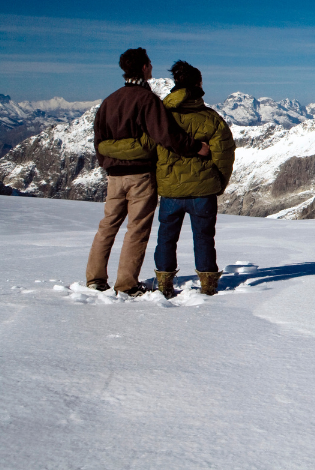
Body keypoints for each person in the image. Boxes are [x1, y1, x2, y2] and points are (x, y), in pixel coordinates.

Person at [88, 48, 210, 296]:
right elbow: (166, 135)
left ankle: (95, 279)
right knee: (137, 228)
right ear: (144, 68)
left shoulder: (109, 101)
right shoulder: (147, 100)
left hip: (114, 176)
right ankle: (126, 284)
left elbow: (98, 140)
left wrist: (108, 163)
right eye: (150, 63)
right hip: (141, 175)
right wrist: (197, 147)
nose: (152, 67)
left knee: (107, 226)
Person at [151, 61, 234, 298]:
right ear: (198, 84)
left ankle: (165, 282)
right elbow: (224, 154)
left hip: (170, 191)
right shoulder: (211, 119)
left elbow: (150, 149)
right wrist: (217, 182)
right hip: (203, 192)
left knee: (166, 237)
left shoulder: (161, 116)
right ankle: (208, 284)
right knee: (204, 238)